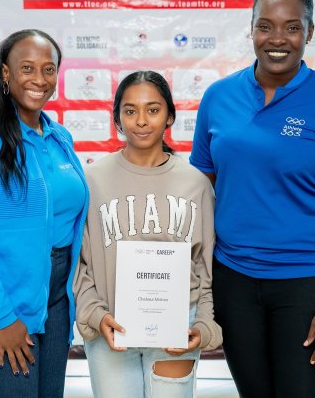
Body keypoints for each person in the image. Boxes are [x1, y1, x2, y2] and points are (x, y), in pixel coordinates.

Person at [190, 0, 315, 398]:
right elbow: (199, 190)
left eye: (292, 27)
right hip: (234, 282)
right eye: (265, 26)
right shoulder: (218, 97)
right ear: (251, 29)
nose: (277, 39)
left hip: (312, 284)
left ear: (309, 32)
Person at [0, 29, 88, 398]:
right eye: (27, 68)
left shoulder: (59, 138)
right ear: (6, 73)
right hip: (4, 304)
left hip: (56, 300)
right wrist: (3, 318)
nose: (39, 79)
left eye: (48, 69)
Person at [74, 71, 222, 398]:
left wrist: (203, 325)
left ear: (170, 116)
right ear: (117, 119)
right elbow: (78, 265)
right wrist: (95, 314)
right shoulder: (91, 181)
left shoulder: (196, 184)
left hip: (178, 329)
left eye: (153, 110)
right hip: (110, 326)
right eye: (130, 111)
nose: (141, 120)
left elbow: (207, 268)